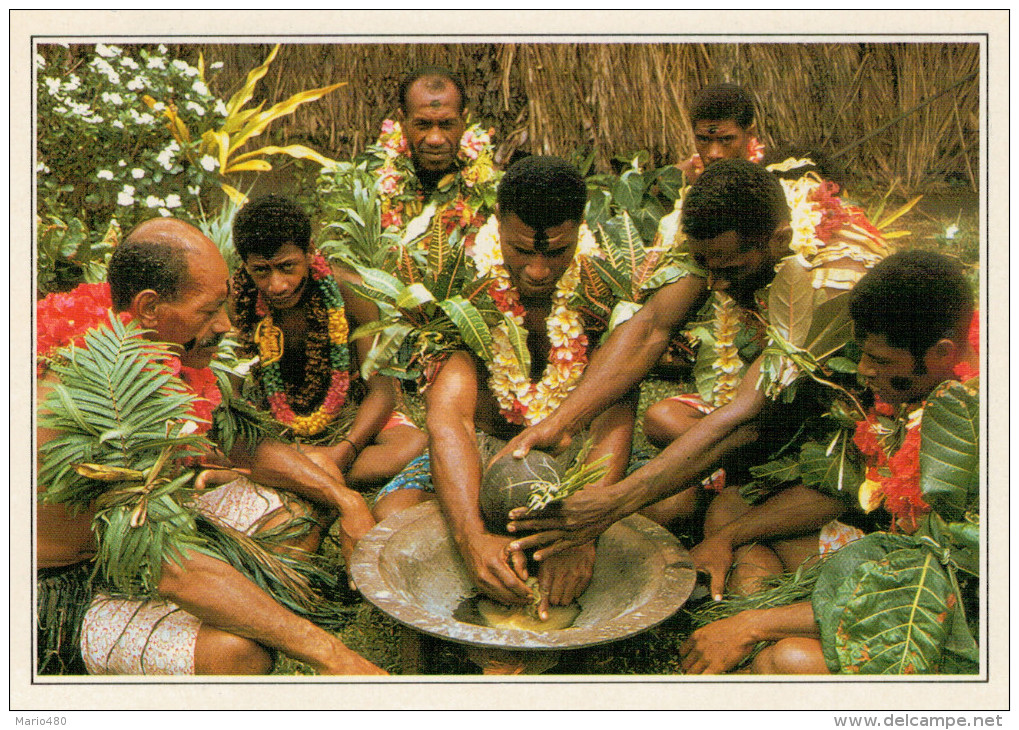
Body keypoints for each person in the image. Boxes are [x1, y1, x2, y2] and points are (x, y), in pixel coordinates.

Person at [502, 159, 888, 596]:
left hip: (858, 426)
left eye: (730, 272)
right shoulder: (732, 227)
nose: (716, 285)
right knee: (666, 423)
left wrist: (615, 502)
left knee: (729, 495)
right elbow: (650, 328)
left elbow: (749, 415)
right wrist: (561, 421)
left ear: (780, 239)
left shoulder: (831, 281)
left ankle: (751, 515)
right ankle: (726, 494)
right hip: (781, 403)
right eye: (708, 268)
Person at [36, 218, 385, 675]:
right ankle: (235, 614)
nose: (225, 325)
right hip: (69, 588)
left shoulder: (146, 342)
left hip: (149, 540)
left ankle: (241, 602)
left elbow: (245, 445)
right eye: (208, 311)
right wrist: (335, 657)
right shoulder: (96, 405)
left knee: (314, 479)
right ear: (148, 307)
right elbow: (171, 567)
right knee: (240, 654)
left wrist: (347, 500)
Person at [678, 250, 979, 674]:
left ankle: (753, 640)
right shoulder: (918, 390)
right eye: (863, 353)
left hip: (939, 609)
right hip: (882, 556)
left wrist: (752, 625)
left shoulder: (981, 438)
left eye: (880, 360)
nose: (863, 370)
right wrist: (726, 538)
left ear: (943, 353)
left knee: (785, 661)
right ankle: (755, 629)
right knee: (731, 509)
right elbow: (844, 492)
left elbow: (917, 594)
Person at [375, 156, 636, 617]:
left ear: (579, 228)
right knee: (395, 513)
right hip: (479, 453)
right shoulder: (461, 287)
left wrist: (584, 531)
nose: (536, 270)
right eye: (520, 250)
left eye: (555, 252)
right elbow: (449, 417)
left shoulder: (605, 292)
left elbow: (615, 412)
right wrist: (471, 537)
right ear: (497, 225)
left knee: (670, 505)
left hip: (572, 460)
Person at [230, 195, 427, 521]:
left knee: (411, 444)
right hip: (279, 425)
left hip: (350, 416)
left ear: (309, 252)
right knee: (235, 446)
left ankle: (295, 476)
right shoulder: (239, 302)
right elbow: (232, 400)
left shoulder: (349, 292)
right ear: (245, 266)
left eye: (287, 267)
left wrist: (345, 451)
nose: (277, 285)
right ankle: (302, 471)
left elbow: (382, 392)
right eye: (261, 271)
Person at [319, 66, 499, 256]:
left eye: (447, 124)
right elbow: (336, 266)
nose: (435, 139)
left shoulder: (490, 190)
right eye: (423, 124)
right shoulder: (367, 188)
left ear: (463, 122)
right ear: (402, 122)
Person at [676, 83, 765, 185]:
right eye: (704, 140)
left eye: (726, 140)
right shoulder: (680, 181)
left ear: (749, 134)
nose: (714, 154)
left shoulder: (776, 172)